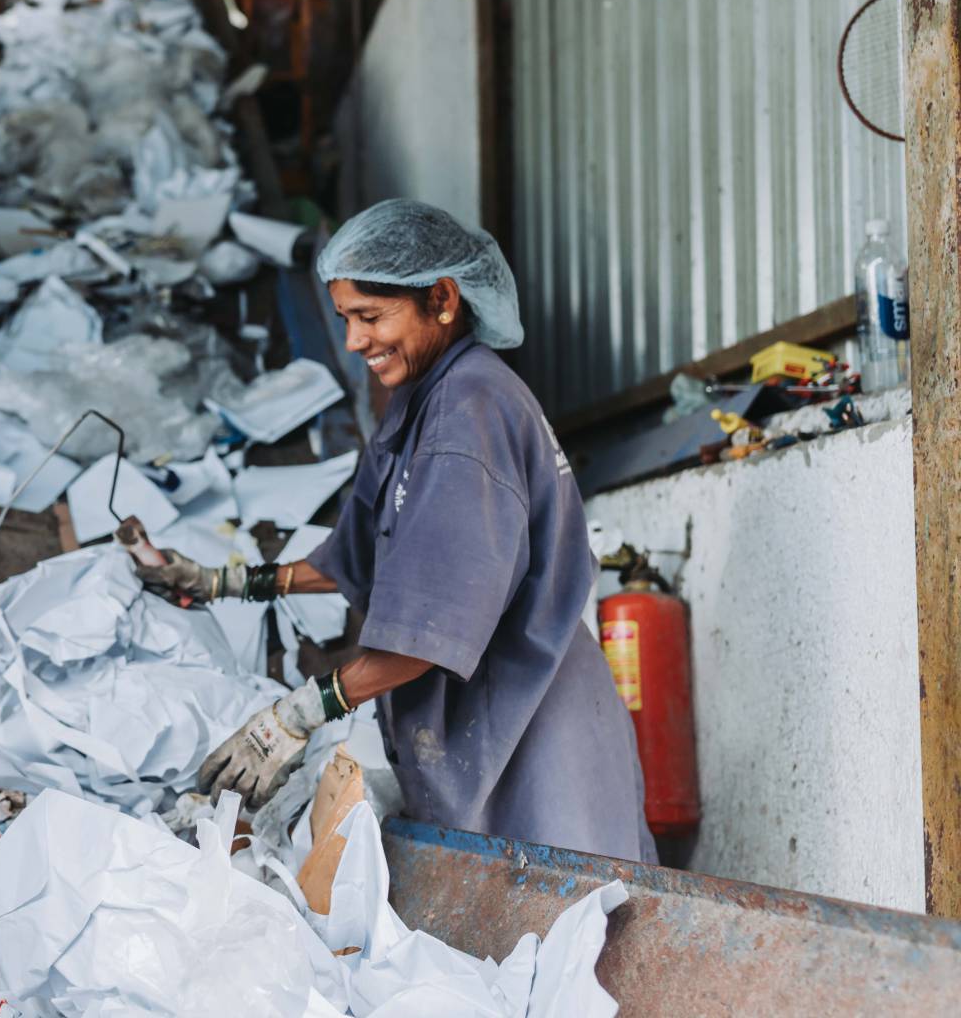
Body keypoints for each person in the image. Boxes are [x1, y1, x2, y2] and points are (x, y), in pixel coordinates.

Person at [137, 199, 657, 864]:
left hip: (535, 733)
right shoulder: (425, 399)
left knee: (567, 932)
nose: (354, 341)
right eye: (346, 319)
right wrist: (225, 581)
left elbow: (432, 632)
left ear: (442, 299)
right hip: (490, 722)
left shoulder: (470, 414)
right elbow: (363, 553)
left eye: (370, 317)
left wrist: (296, 716)